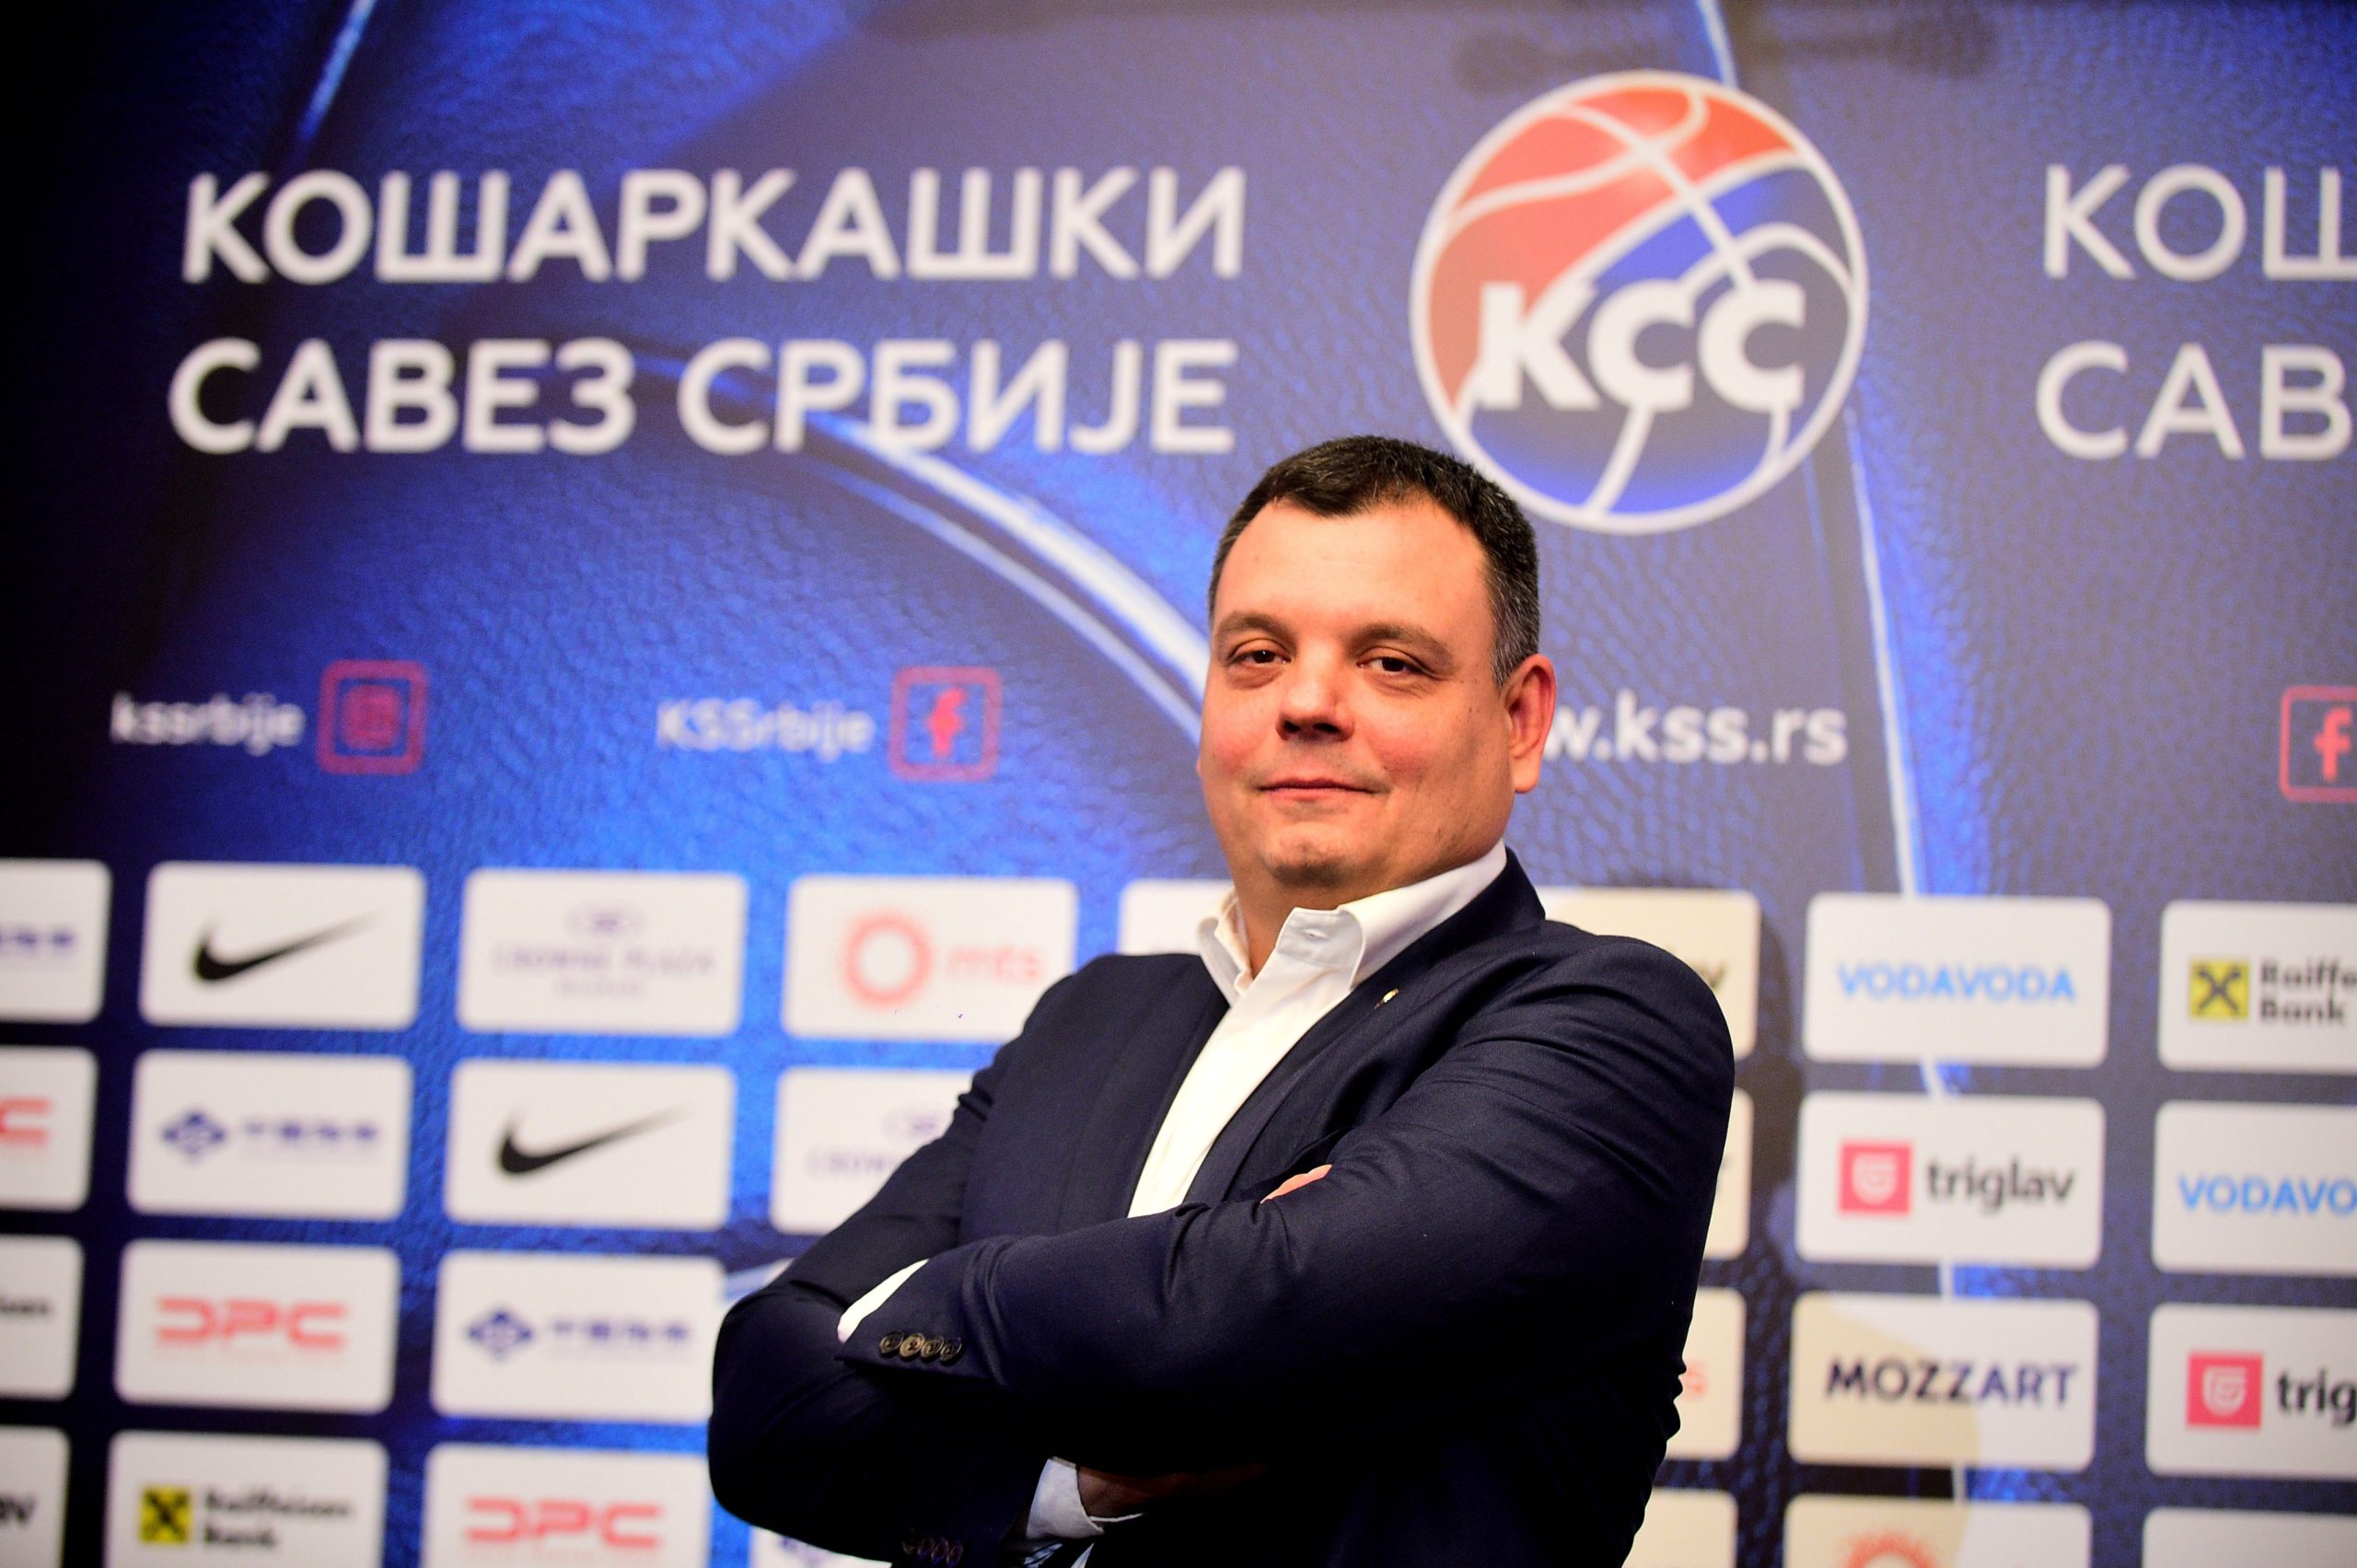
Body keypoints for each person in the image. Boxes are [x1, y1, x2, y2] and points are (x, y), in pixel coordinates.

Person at [710, 436, 1734, 1567]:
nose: (1306, 701)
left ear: (1520, 717)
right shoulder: (1088, 1021)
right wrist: (1064, 1482)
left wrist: (906, 1307)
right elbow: (763, 1402)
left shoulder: (1610, 1023)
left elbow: (1228, 1323)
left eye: (1391, 661)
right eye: (1256, 654)